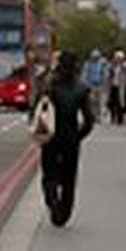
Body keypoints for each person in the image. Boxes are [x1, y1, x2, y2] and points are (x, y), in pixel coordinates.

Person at [38, 51, 96, 228]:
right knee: (69, 178)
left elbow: (37, 108)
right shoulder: (82, 89)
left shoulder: (49, 86)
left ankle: (52, 199)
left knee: (49, 174)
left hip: (50, 136)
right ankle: (63, 212)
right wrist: (79, 136)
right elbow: (89, 119)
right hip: (71, 137)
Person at [106, 50, 126, 126]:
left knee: (120, 103)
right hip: (113, 86)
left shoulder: (124, 66)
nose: (117, 59)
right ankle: (113, 117)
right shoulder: (112, 66)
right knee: (112, 102)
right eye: (116, 58)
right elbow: (108, 75)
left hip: (121, 86)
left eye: (119, 58)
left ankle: (120, 119)